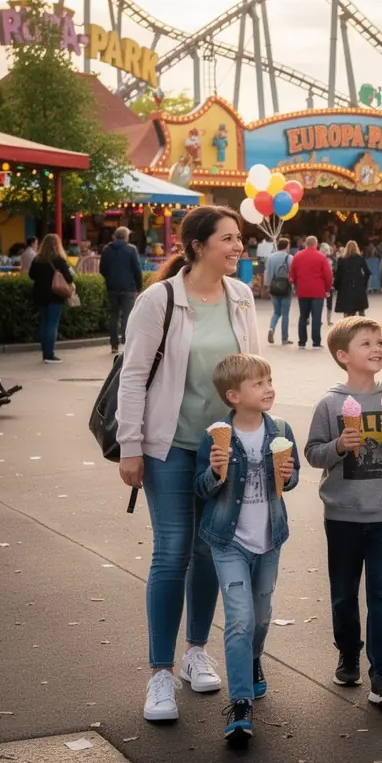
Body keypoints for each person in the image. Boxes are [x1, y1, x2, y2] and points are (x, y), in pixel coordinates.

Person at [116, 206, 260, 723]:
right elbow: (134, 377)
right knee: (172, 550)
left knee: (208, 549)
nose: (238, 246)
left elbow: (252, 370)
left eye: (239, 238)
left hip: (223, 446)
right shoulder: (161, 300)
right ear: (197, 246)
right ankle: (159, 673)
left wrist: (257, 432)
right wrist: (130, 445)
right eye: (228, 239)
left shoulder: (241, 297)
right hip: (170, 445)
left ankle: (196, 651)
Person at [305, 318, 382, 707]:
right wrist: (337, 445)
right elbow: (313, 453)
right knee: (344, 593)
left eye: (380, 341)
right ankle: (348, 650)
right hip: (343, 514)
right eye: (365, 343)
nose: (377, 348)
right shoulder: (330, 403)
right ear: (343, 356)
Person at [194, 353, 300, 742]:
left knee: (260, 616)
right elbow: (201, 489)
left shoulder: (282, 430)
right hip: (228, 541)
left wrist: (287, 477)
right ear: (234, 395)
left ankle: (253, 659)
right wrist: (215, 472)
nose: (268, 388)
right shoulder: (215, 436)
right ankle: (240, 703)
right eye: (258, 383)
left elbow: (292, 481)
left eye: (269, 380)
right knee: (238, 619)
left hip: (269, 539)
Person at [28, 233, 74, 364]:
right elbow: (69, 278)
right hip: (55, 294)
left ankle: (45, 351)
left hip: (39, 294)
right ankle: (49, 354)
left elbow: (32, 275)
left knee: (44, 323)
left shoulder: (37, 259)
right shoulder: (59, 260)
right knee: (52, 324)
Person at [99, 226, 143, 355]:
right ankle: (126, 343)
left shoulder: (106, 250)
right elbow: (137, 270)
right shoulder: (131, 250)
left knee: (113, 315)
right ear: (125, 236)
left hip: (112, 288)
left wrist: (110, 279)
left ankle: (114, 345)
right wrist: (139, 286)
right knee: (127, 316)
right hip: (128, 288)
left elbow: (102, 269)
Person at [288, 236, 333, 349]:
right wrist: (327, 289)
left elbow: (292, 273)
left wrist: (294, 284)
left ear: (306, 244)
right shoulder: (321, 257)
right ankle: (316, 343)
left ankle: (302, 342)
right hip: (318, 291)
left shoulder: (297, 256)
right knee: (316, 317)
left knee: (303, 316)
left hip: (302, 291)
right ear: (316, 244)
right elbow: (328, 275)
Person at [263, 238, 294, 345]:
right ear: (286, 246)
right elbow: (293, 272)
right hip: (286, 287)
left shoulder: (271, 257)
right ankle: (284, 338)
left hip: (274, 287)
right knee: (285, 314)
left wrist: (267, 286)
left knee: (276, 312)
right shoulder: (289, 258)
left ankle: (271, 328)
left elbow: (268, 272)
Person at [334, 240, 371, 317]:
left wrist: (336, 286)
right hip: (358, 286)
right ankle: (360, 326)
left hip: (345, 287)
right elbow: (367, 272)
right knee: (360, 308)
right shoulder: (360, 259)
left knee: (347, 310)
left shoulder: (341, 260)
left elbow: (338, 275)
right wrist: (364, 283)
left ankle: (347, 326)